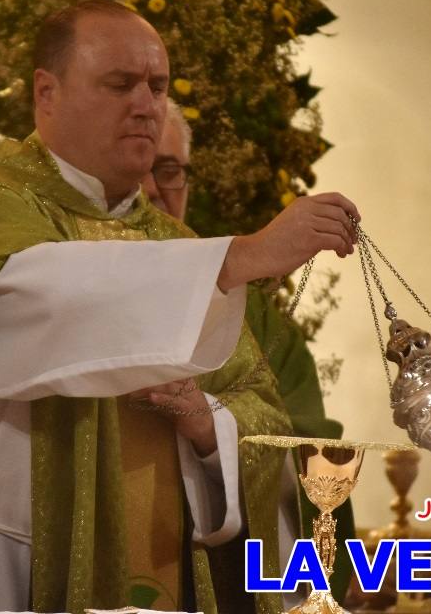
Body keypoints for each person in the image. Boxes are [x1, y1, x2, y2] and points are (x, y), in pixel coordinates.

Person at [0, 0, 360, 614]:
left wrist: (208, 424)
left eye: (157, 85)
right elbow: (44, 303)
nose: (146, 104)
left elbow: (259, 409)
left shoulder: (174, 248)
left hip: (159, 571)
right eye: (119, 84)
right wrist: (240, 257)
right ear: (46, 92)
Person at [140, 100, 354, 608]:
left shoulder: (259, 323)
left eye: (168, 171)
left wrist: (212, 429)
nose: (150, 190)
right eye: (136, 171)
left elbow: (311, 462)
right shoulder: (67, 292)